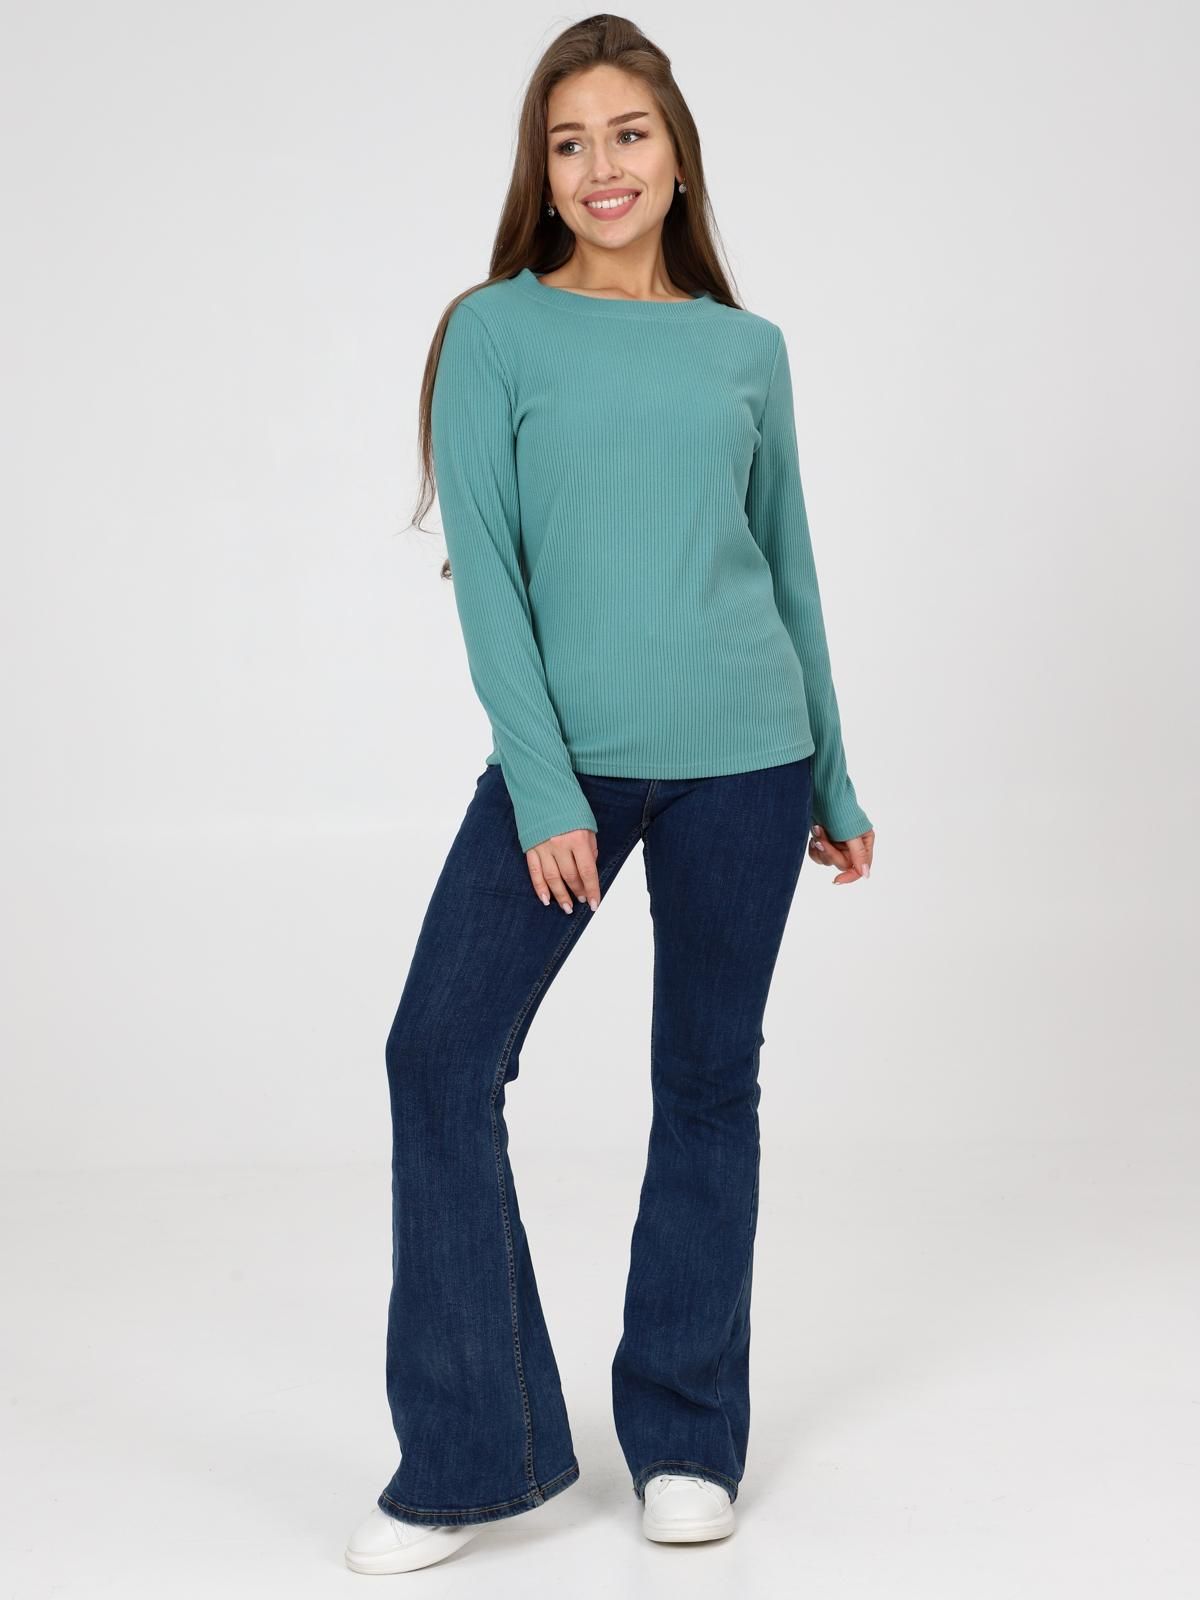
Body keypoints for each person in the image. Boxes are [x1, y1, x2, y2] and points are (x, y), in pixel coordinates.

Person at [345, 12, 875, 1576]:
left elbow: (788, 569)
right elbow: (491, 580)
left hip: (750, 758)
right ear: (542, 168)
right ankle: (467, 1456)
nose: (600, 167)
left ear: (677, 155)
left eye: (626, 134)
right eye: (567, 142)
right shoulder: (494, 332)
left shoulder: (745, 349)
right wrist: (543, 787)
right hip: (570, 768)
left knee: (708, 1084)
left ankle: (688, 1441)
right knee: (439, 1059)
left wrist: (834, 773)